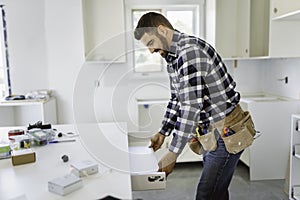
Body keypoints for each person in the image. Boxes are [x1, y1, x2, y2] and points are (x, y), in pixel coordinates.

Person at [134, 12, 255, 200]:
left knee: (206, 194)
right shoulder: (173, 58)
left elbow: (191, 108)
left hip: (227, 131)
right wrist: (163, 131)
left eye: (151, 43)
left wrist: (172, 153)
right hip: (210, 133)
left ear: (162, 30)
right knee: (217, 192)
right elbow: (177, 98)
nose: (150, 51)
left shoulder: (189, 52)